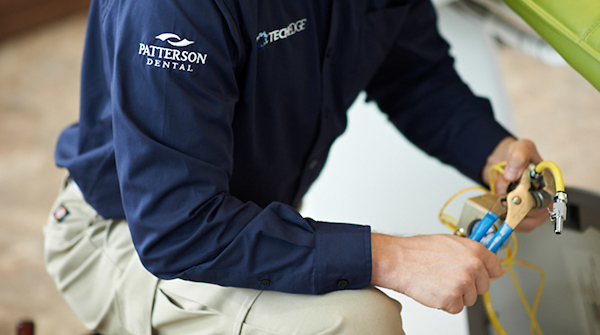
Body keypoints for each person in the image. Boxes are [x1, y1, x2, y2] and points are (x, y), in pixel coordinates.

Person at [44, 0, 549, 334]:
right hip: (123, 236)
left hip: (239, 218)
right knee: (357, 322)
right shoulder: (173, 8)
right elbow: (178, 225)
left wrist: (493, 152)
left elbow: (412, 74)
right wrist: (394, 257)